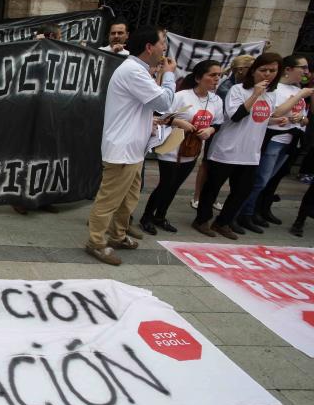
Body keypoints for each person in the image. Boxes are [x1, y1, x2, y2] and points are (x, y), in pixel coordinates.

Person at [192, 53, 314, 239]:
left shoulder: (271, 94)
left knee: (242, 191)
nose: (267, 74)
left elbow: (261, 119)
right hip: (228, 149)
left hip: (250, 152)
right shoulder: (238, 90)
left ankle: (223, 222)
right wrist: (255, 94)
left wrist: (275, 120)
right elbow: (236, 116)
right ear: (253, 71)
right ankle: (202, 220)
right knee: (213, 187)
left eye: (272, 70)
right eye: (263, 70)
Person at [85, 27, 177, 266]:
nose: (165, 48)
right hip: (122, 150)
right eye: (162, 43)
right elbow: (165, 101)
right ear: (149, 47)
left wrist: (152, 121)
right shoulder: (133, 71)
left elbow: (144, 107)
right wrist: (168, 75)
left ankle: (118, 235)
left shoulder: (140, 71)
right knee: (108, 201)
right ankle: (96, 242)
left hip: (134, 149)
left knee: (128, 200)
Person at [139, 61, 222, 234]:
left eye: (218, 75)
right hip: (172, 149)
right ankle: (146, 217)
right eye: (212, 75)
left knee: (175, 186)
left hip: (192, 151)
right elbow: (159, 115)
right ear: (199, 78)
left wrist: (210, 129)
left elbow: (218, 123)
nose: (216, 79)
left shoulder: (216, 100)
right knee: (165, 184)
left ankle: (160, 216)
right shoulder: (181, 96)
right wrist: (179, 122)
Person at [235, 54, 310, 232]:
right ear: (289, 69)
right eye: (303, 68)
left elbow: (305, 119)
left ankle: (253, 211)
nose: (306, 72)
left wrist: (301, 118)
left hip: (290, 140)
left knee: (267, 181)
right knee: (260, 180)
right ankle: (242, 213)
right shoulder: (279, 90)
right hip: (274, 140)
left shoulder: (297, 88)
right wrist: (300, 95)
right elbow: (276, 114)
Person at [190, 55, 256, 211]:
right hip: (219, 132)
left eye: (218, 75)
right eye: (251, 68)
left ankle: (208, 198)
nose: (254, 72)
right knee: (207, 164)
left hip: (225, 132)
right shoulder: (227, 88)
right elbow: (233, 114)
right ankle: (198, 197)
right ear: (241, 70)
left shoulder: (244, 87)